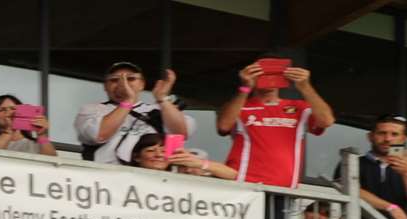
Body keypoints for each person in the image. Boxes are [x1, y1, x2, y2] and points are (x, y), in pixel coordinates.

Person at [217, 60, 334, 189]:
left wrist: (305, 87)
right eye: (261, 72)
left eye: (274, 72)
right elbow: (224, 126)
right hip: (244, 184)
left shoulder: (299, 107)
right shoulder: (239, 106)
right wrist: (246, 87)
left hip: (284, 189)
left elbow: (326, 121)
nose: (268, 77)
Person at [75, 61, 188, 165]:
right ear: (105, 86)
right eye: (115, 80)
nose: (123, 83)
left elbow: (179, 136)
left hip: (153, 179)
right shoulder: (92, 109)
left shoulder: (159, 110)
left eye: (131, 79)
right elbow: (98, 136)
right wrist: (128, 101)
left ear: (142, 84)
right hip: (104, 179)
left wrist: (162, 98)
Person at [128, 132, 237, 180]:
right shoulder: (124, 176)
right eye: (151, 150)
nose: (158, 155)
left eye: (164, 151)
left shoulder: (179, 178)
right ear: (137, 157)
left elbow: (232, 175)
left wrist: (198, 163)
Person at [0, 93, 56, 157]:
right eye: (2, 110)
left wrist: (42, 135)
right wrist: (8, 131)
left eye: (13, 108)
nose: (9, 112)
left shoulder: (35, 144)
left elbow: (52, 161)